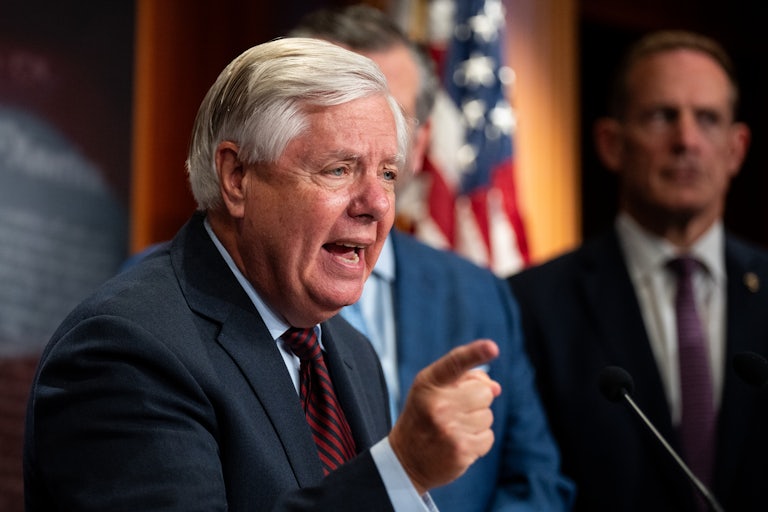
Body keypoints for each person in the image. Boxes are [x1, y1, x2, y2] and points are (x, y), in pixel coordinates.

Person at [23, 37, 504, 511]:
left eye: (388, 175)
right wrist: (400, 472)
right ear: (237, 178)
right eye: (339, 169)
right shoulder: (127, 350)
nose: (377, 204)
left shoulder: (349, 351)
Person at [290, 5, 574, 511]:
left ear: (419, 145)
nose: (362, 150)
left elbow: (535, 483)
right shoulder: (183, 293)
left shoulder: (480, 294)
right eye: (334, 119)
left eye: (387, 124)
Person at [508, 29, 768, 511]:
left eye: (707, 119)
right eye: (661, 116)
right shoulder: (531, 305)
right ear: (611, 143)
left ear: (736, 149)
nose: (686, 140)